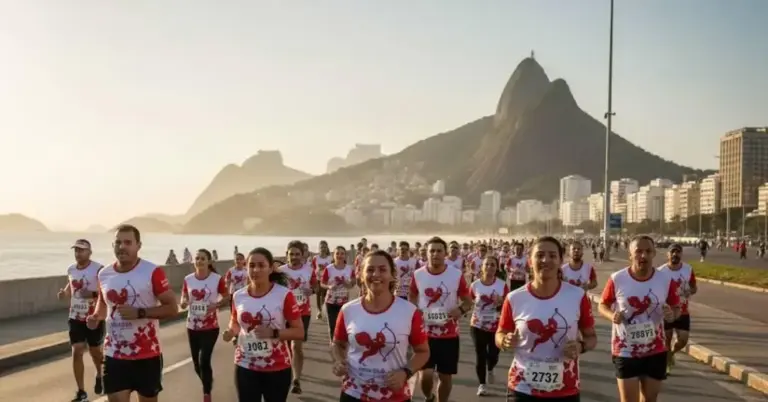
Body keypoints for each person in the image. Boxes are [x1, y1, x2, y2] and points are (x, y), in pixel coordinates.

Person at [496, 236, 598, 401]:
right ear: (530, 261)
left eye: (552, 255)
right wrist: (504, 340)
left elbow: (591, 337)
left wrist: (581, 346)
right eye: (540, 255)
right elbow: (500, 334)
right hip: (522, 387)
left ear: (560, 260)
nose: (546, 260)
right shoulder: (514, 298)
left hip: (565, 388)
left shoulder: (577, 296)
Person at [86, 224, 179, 402]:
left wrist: (141, 312)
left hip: (147, 355)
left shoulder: (152, 272)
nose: (122, 247)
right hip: (114, 354)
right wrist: (97, 315)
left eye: (128, 242)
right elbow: (103, 301)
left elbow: (172, 308)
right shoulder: (104, 274)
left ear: (138, 245)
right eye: (118, 242)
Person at [331, 250, 430, 402]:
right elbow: (337, 344)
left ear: (392, 275)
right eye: (370, 270)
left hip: (394, 396)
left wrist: (405, 373)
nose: (376, 274)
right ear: (362, 275)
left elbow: (423, 352)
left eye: (382, 270)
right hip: (353, 393)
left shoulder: (409, 311)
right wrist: (338, 361)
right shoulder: (348, 310)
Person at [598, 235, 680, 402]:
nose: (643, 256)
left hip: (655, 349)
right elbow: (602, 305)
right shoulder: (617, 278)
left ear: (654, 253)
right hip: (625, 349)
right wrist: (612, 315)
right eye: (639, 251)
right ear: (630, 255)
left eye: (648, 251)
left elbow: (677, 307)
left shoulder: (665, 279)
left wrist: (672, 315)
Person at [222, 247, 304, 402]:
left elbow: (299, 332)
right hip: (245, 364)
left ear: (270, 268)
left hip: (277, 366)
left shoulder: (284, 295)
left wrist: (273, 333)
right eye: (252, 265)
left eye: (261, 265)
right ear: (246, 267)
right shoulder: (238, 296)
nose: (256, 270)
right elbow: (235, 322)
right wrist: (230, 331)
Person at [409, 236, 472, 402]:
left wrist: (460, 309)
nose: (435, 254)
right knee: (426, 375)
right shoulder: (418, 274)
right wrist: (416, 312)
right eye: (432, 251)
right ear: (426, 253)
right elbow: (412, 296)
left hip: (449, 335)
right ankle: (429, 396)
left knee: (446, 377)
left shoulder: (456, 274)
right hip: (425, 334)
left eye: (439, 251)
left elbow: (468, 301)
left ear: (445, 253)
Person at [57, 239, 104, 402]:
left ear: (89, 252)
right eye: (76, 250)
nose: (78, 253)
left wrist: (91, 295)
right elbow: (71, 286)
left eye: (81, 250)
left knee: (95, 352)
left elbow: (106, 292)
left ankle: (100, 373)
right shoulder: (70, 269)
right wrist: (64, 293)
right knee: (77, 351)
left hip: (93, 317)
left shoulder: (98, 269)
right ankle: (81, 392)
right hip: (75, 317)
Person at [180, 249, 229, 401]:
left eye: (203, 258)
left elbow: (226, 296)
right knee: (196, 365)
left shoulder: (216, 279)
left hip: (210, 327)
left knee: (204, 360)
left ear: (209, 261)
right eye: (197, 258)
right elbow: (184, 297)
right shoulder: (188, 279)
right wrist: (183, 302)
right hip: (192, 326)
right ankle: (207, 382)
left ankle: (206, 393)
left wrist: (217, 305)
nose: (199, 261)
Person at [278, 240, 318, 394]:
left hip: (303, 313)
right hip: (283, 314)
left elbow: (315, 285)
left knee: (297, 346)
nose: (294, 257)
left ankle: (296, 380)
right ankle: (285, 372)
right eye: (291, 254)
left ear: (303, 256)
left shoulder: (309, 270)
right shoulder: (280, 271)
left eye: (297, 254)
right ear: (286, 255)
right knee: (286, 347)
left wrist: (312, 291)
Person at [468, 256, 508, 396]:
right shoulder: (475, 285)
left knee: (493, 355)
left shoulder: (502, 285)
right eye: (487, 264)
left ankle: (490, 368)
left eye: (493, 265)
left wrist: (501, 301)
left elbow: (507, 306)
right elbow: (470, 301)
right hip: (477, 325)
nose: (490, 267)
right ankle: (482, 384)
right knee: (480, 355)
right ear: (482, 267)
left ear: (496, 268)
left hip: (496, 326)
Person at [656, 243, 697, 375]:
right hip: (667, 311)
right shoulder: (661, 271)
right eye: (672, 252)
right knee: (666, 339)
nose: (675, 254)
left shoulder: (688, 269)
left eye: (678, 252)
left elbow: (694, 287)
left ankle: (672, 353)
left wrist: (689, 290)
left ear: (681, 254)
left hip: (683, 310)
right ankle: (667, 364)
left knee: (683, 340)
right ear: (667, 254)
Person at [320, 246, 356, 343]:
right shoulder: (329, 268)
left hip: (344, 303)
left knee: (343, 326)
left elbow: (353, 283)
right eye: (337, 253)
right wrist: (329, 287)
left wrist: (347, 284)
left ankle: (342, 345)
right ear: (333, 255)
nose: (339, 255)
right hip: (330, 302)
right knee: (332, 325)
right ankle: (333, 344)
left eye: (342, 253)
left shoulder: (349, 269)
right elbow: (322, 283)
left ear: (345, 256)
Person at [313, 240, 333, 321]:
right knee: (318, 295)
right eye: (321, 247)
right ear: (319, 248)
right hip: (318, 279)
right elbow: (313, 268)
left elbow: (332, 268)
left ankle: (324, 311)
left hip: (327, 281)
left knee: (325, 296)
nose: (323, 249)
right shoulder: (316, 258)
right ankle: (319, 311)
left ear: (327, 248)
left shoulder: (330, 258)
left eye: (325, 247)